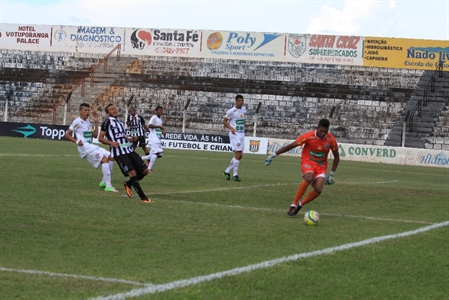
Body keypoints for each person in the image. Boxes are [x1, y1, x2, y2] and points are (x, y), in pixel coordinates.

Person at [265, 118, 340, 216]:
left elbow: (336, 157)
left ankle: (300, 204)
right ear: (317, 128)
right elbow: (292, 145)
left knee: (318, 189)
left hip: (321, 166)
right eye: (321, 131)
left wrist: (332, 173)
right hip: (308, 161)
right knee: (309, 177)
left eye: (325, 132)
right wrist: (275, 154)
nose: (323, 134)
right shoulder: (308, 136)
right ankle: (293, 204)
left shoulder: (331, 140)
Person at [99, 103, 153, 203]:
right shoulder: (106, 123)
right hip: (119, 153)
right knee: (132, 172)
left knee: (145, 171)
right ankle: (143, 198)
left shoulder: (119, 122)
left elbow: (123, 137)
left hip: (129, 150)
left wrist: (131, 139)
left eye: (114, 108)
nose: (114, 110)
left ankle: (128, 184)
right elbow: (100, 138)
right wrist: (111, 143)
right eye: (111, 109)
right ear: (107, 113)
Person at [65, 103, 118, 192]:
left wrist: (96, 123)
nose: (87, 112)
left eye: (88, 110)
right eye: (85, 110)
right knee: (104, 160)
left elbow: (94, 135)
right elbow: (67, 134)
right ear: (80, 111)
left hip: (91, 146)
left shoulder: (87, 122)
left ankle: (104, 181)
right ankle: (108, 185)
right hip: (85, 148)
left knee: (111, 156)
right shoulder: (77, 121)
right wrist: (77, 141)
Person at [222, 94, 247, 182]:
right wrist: (231, 128)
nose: (240, 102)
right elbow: (224, 121)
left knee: (239, 156)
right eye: (239, 100)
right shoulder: (231, 111)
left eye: (242, 100)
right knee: (239, 154)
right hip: (234, 134)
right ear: (236, 101)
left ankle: (227, 171)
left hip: (242, 134)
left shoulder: (244, 110)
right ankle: (235, 175)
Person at [141, 106, 165, 172]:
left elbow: (159, 128)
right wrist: (159, 126)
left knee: (159, 155)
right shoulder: (154, 117)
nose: (161, 112)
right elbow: (150, 125)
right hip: (154, 138)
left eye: (161, 110)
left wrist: (162, 132)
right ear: (156, 111)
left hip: (158, 138)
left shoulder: (160, 120)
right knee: (156, 153)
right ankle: (149, 168)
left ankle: (141, 158)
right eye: (159, 110)